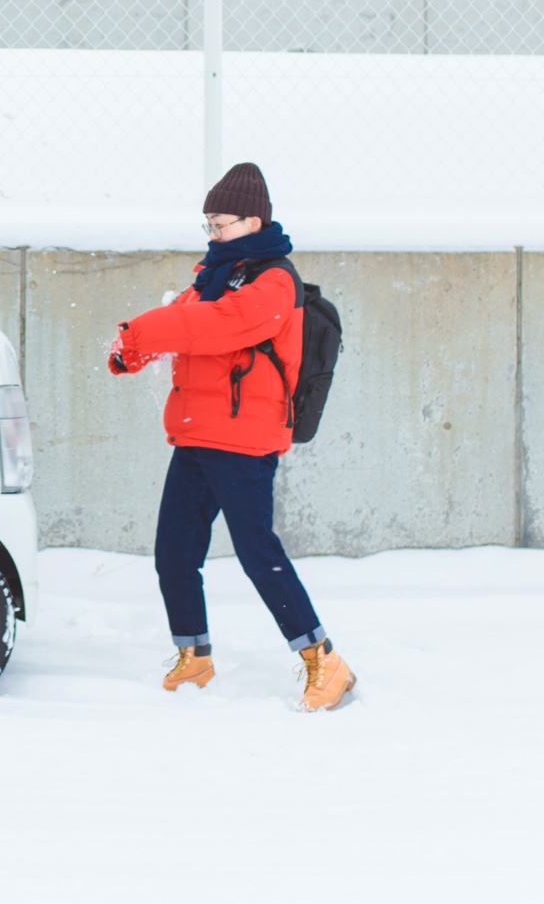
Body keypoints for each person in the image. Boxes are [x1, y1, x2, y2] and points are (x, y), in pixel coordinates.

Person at [106, 162, 355, 712]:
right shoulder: (212, 275)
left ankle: (324, 660)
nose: (213, 233)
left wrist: (142, 332)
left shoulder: (274, 281)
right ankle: (194, 655)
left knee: (256, 552)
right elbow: (184, 318)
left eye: (219, 224)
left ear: (253, 220)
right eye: (209, 226)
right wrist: (135, 349)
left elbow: (217, 328)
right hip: (197, 434)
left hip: (244, 440)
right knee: (174, 551)